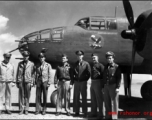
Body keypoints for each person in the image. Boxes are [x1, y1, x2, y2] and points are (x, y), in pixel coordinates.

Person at [103, 51, 121, 120]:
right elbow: (104, 77)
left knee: (114, 103)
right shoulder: (106, 67)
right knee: (107, 102)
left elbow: (119, 78)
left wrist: (117, 87)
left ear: (113, 58)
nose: (109, 59)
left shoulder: (116, 67)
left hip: (113, 86)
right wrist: (103, 87)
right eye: (108, 58)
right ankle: (108, 116)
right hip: (106, 86)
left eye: (110, 58)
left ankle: (114, 117)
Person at [16, 51, 35, 115]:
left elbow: (33, 74)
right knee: (21, 96)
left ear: (28, 57)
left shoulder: (31, 64)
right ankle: (21, 109)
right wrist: (17, 82)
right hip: (21, 81)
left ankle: (26, 109)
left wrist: (32, 82)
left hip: (28, 81)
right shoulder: (20, 63)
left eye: (26, 56)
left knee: (27, 96)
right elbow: (17, 73)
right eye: (24, 56)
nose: (25, 57)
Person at [73, 50, 91, 117]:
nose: (79, 56)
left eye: (80, 55)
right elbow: (73, 73)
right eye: (78, 55)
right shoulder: (75, 64)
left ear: (82, 56)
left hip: (83, 82)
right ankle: (76, 111)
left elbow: (89, 73)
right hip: (77, 82)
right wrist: (74, 80)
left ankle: (85, 112)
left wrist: (85, 79)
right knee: (76, 97)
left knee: (84, 97)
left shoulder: (86, 64)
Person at [89, 53, 105, 118]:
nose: (93, 59)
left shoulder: (101, 65)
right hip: (92, 82)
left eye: (94, 58)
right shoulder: (92, 65)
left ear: (98, 58)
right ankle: (94, 113)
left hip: (98, 82)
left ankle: (101, 114)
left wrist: (103, 85)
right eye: (92, 58)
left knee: (99, 99)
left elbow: (103, 76)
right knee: (93, 98)